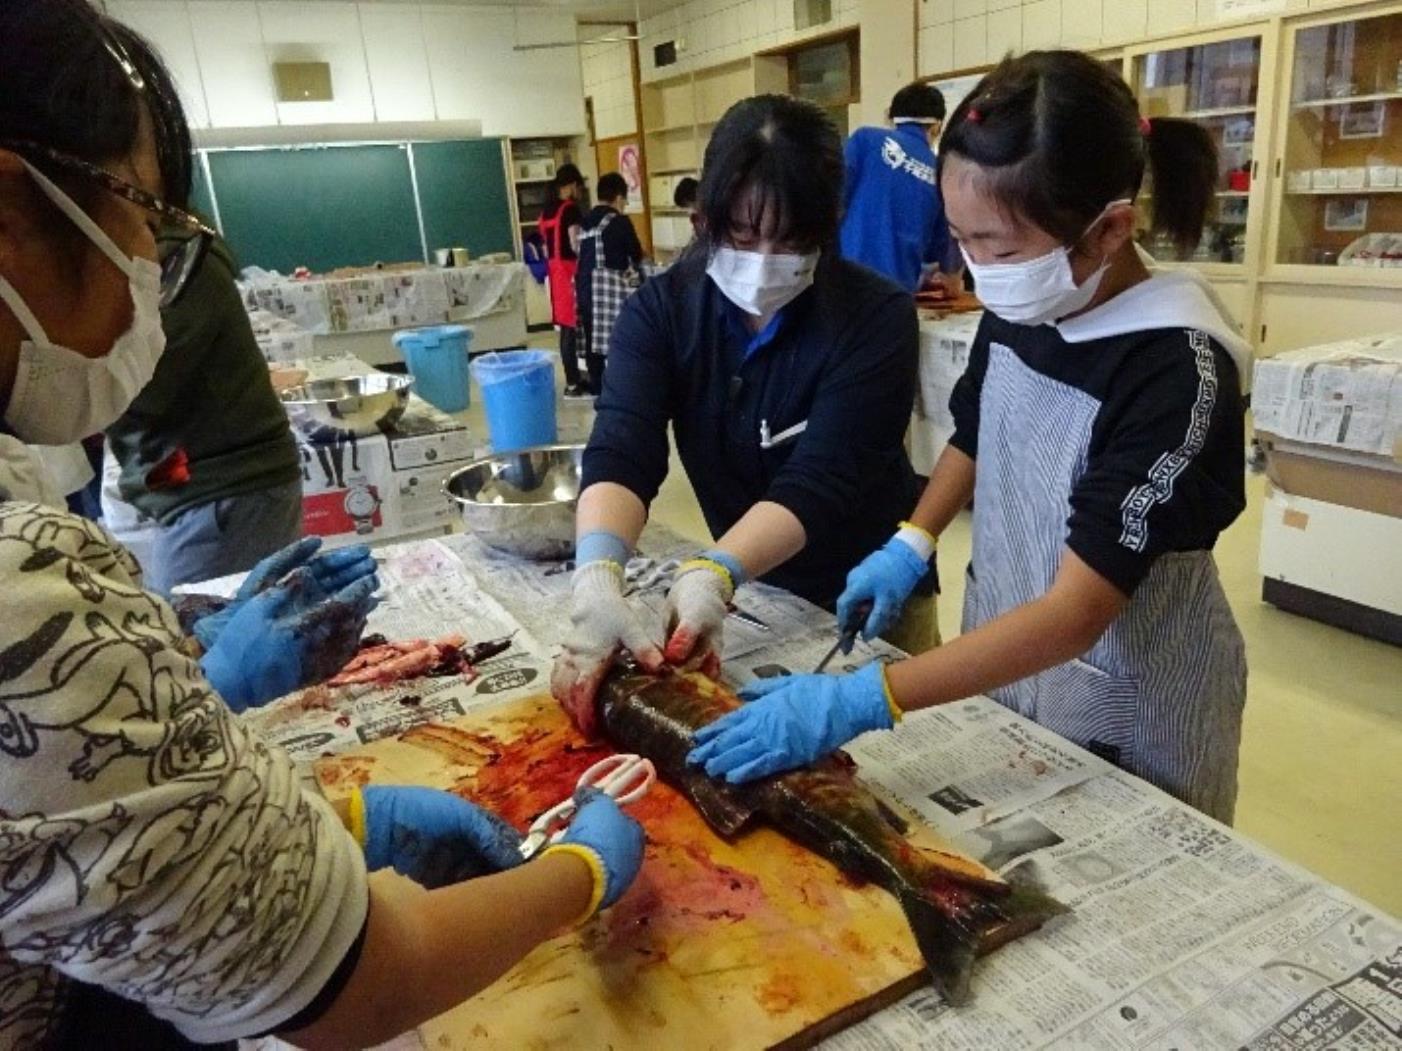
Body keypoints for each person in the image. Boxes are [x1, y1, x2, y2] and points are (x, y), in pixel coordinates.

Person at [0, 5, 643, 1047]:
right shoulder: (22, 576)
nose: (150, 257)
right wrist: (577, 873)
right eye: (142, 214)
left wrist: (339, 823)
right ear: (12, 213)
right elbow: (360, 983)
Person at [689, 51, 1251, 825]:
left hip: (1130, 690)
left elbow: (1079, 611)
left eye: (999, 246)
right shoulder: (1023, 301)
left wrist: (866, 696)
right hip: (1009, 648)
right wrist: (912, 541)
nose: (979, 271)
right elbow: (977, 425)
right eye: (964, 241)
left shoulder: (1176, 367)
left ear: (1109, 229)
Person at [551, 95, 937, 723]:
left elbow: (821, 480)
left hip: (867, 595)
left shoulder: (876, 317)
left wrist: (715, 570)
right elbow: (624, 446)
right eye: (743, 233)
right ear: (706, 215)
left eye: (788, 240)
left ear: (829, 223)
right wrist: (597, 571)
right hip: (758, 590)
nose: (762, 261)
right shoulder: (661, 312)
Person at [103, 228, 303, 595]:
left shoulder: (184, 265)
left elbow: (143, 387)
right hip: (205, 489)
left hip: (226, 491)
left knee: (191, 639)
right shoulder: (148, 263)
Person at [839, 82, 962, 294]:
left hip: (841, 283)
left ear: (891, 117)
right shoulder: (941, 172)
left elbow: (831, 198)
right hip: (895, 298)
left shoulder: (864, 139)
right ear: (937, 127)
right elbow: (948, 256)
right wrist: (953, 281)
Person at [575, 171, 645, 395]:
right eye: (624, 200)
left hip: (585, 289)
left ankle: (598, 388)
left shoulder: (585, 222)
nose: (624, 205)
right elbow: (636, 254)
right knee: (619, 338)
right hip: (609, 291)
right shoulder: (619, 221)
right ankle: (622, 386)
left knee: (593, 339)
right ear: (618, 197)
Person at [539, 163, 589, 399]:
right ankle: (574, 382)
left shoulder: (546, 210)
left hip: (553, 272)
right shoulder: (570, 210)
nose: (579, 192)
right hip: (569, 272)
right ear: (571, 185)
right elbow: (575, 243)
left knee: (565, 328)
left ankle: (573, 379)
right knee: (575, 326)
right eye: (579, 187)